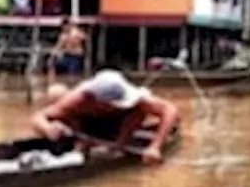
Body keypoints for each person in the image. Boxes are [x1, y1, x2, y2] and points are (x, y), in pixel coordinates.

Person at [30, 69, 180, 166]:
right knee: (58, 101)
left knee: (138, 110)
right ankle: (82, 145)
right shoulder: (78, 99)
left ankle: (118, 145)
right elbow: (37, 117)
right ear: (96, 100)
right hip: (88, 128)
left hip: (119, 130)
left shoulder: (134, 97)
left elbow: (170, 110)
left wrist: (155, 146)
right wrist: (48, 129)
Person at [47, 18, 87, 83]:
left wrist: (76, 36)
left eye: (66, 26)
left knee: (72, 75)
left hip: (76, 57)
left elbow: (84, 37)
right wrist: (52, 57)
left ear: (69, 25)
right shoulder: (63, 36)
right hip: (67, 56)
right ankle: (52, 81)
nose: (65, 28)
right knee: (53, 63)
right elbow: (57, 47)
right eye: (63, 27)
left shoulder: (76, 33)